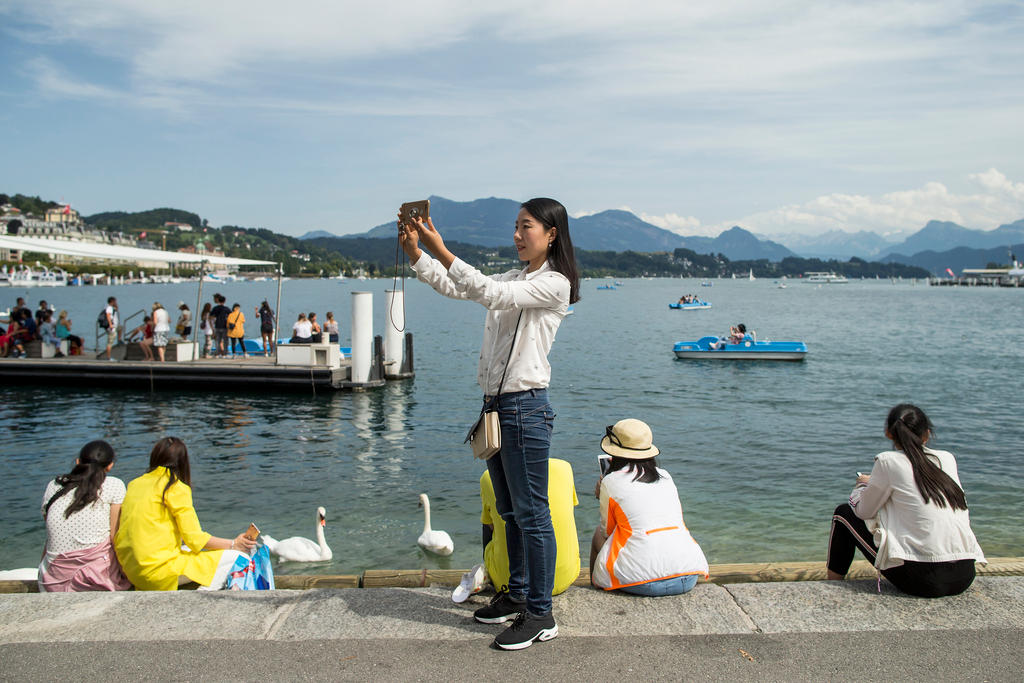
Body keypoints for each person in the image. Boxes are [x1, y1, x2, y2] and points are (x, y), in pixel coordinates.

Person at [400, 197, 580, 650]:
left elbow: (491, 293)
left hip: (526, 407)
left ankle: (541, 613)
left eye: (527, 227)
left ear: (551, 234)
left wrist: (440, 247)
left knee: (533, 515)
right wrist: (416, 255)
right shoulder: (515, 277)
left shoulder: (554, 283)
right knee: (509, 511)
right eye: (515, 227)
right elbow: (463, 288)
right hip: (499, 407)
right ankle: (516, 594)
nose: (517, 235)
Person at [826, 404, 986, 598]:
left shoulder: (887, 461)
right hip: (964, 575)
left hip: (923, 580)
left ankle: (831, 588)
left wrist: (862, 486)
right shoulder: (947, 459)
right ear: (927, 434)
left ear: (888, 433)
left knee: (843, 514)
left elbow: (863, 512)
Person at [114, 436, 258, 591]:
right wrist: (233, 545)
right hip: (158, 571)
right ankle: (203, 597)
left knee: (197, 552)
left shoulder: (134, 484)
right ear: (183, 462)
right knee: (240, 558)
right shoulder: (175, 487)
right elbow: (195, 539)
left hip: (133, 571)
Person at [590, 419, 709, 596]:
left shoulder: (611, 481)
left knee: (597, 534)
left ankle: (593, 589)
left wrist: (602, 496)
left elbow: (608, 532)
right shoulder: (666, 476)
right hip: (688, 576)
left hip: (639, 582)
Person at [477, 459, 580, 600]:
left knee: (491, 521)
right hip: (564, 577)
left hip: (506, 581)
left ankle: (493, 570)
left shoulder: (489, 477)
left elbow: (490, 526)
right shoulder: (565, 468)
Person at [38, 440, 132, 592]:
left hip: (51, 581)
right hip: (96, 580)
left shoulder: (54, 486)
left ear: (78, 462)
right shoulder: (114, 485)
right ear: (110, 465)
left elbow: (51, 531)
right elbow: (116, 537)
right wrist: (128, 573)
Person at [103, 297, 120, 361]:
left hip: (115, 326)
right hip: (111, 327)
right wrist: (110, 325)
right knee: (110, 342)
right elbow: (108, 315)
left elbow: (117, 309)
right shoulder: (109, 308)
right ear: (112, 301)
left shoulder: (112, 308)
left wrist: (116, 305)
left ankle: (119, 340)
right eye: (115, 301)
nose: (116, 302)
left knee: (121, 328)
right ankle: (108, 357)